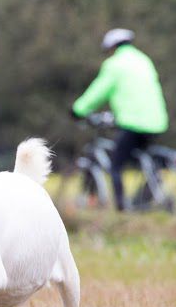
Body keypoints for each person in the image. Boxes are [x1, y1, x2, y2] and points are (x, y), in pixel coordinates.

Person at [72, 28, 169, 211]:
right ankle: (143, 202)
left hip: (132, 122)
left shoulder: (114, 64)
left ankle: (121, 208)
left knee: (116, 165)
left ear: (112, 47)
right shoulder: (144, 60)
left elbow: (98, 92)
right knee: (145, 160)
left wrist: (78, 109)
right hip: (157, 121)